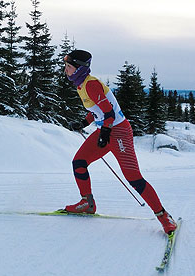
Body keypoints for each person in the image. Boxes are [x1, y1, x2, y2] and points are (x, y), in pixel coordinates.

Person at [63, 49, 177, 234]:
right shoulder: (81, 85)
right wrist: (83, 122)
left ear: (79, 69)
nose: (66, 70)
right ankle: (87, 203)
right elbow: (97, 110)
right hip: (105, 131)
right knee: (79, 162)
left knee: (133, 177)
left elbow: (109, 113)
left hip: (119, 132)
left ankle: (164, 217)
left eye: (68, 67)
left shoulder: (91, 85)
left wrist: (105, 133)